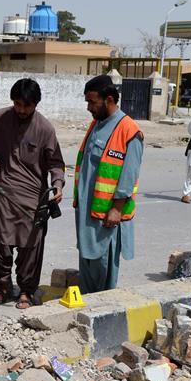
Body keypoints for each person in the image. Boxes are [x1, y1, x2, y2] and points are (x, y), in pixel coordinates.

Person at [0, 78, 66, 309]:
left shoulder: (45, 129)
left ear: (36, 104)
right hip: (0, 196)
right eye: (17, 104)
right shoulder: (1, 117)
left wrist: (57, 185)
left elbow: (56, 163)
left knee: (30, 249)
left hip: (32, 201)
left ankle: (26, 292)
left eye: (26, 106)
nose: (21, 110)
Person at [74, 75, 144, 294]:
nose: (88, 107)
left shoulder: (129, 130)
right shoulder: (96, 124)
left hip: (107, 216)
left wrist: (116, 208)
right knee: (87, 261)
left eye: (92, 102)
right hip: (88, 213)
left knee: (103, 264)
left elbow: (129, 175)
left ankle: (102, 307)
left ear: (109, 100)